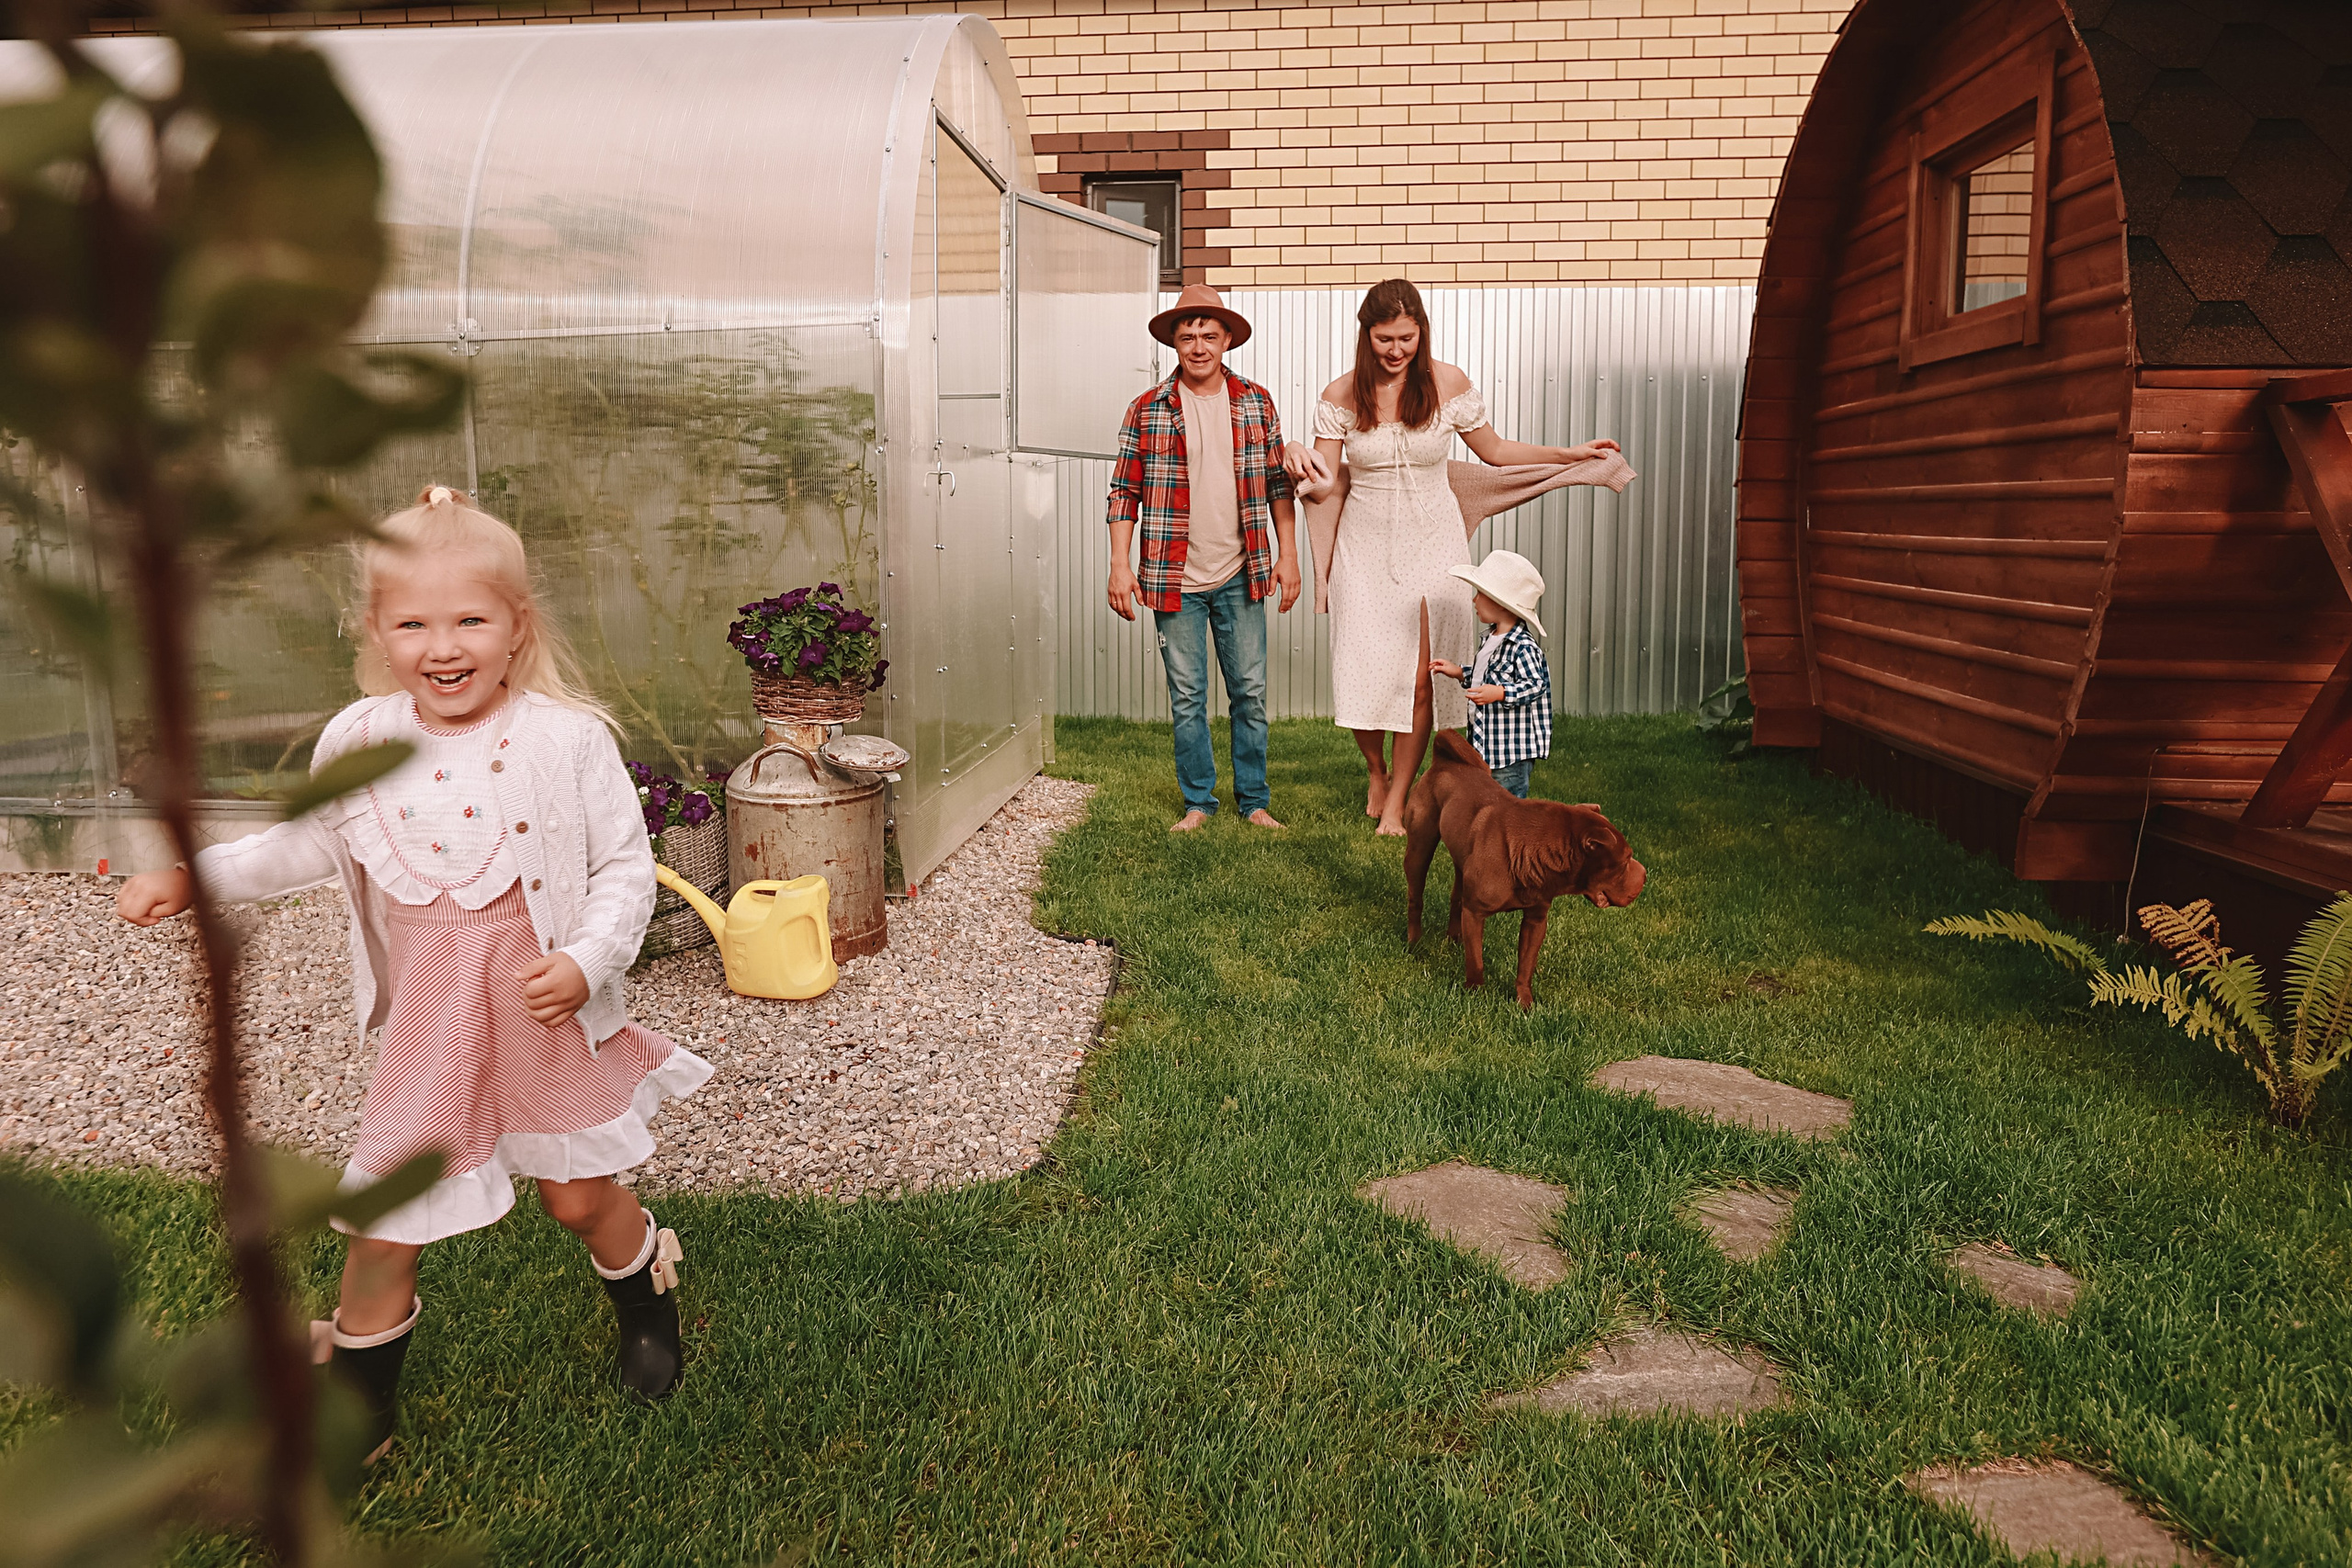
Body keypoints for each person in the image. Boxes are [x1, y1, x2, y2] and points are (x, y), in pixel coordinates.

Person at [114, 485, 711, 1461]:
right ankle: (361, 1419)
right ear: (377, 632)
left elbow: (621, 869)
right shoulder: (361, 738)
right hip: (432, 1029)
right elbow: (308, 840)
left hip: (541, 1017)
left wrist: (585, 958)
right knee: (382, 1222)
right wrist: (196, 876)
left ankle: (648, 1294)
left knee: (576, 1197)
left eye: (471, 619)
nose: (445, 645)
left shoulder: (568, 741)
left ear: (518, 629)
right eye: (415, 623)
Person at [1283, 278, 1619, 835]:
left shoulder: (1448, 383)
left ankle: (1397, 806)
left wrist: (1568, 452)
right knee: (1362, 669)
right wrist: (1294, 453)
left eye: (1407, 339)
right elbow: (1320, 486)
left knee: (1423, 676)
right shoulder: (1341, 395)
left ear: (1422, 333)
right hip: (1363, 546)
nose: (1396, 351)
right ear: (1366, 336)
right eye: (1385, 339)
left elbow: (1495, 451)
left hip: (1434, 540)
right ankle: (1376, 770)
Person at [1107, 283, 1302, 832]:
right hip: (1174, 580)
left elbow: (1277, 488)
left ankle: (1254, 801)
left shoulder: (1256, 402)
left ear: (1226, 341)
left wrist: (1288, 556)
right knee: (1188, 697)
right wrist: (1120, 565)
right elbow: (1123, 490)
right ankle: (1198, 802)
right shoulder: (1147, 409)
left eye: (1209, 336)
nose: (1198, 346)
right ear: (1173, 341)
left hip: (1242, 574)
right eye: (1187, 335)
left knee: (1250, 694)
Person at [1428, 550, 1552, 797]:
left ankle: (1511, 835)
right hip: (1486, 743)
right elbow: (1487, 675)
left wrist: (1501, 693)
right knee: (1484, 797)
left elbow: (1535, 684)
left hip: (1510, 752)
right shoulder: (1491, 639)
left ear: (1500, 603)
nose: (1474, 600)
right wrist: (1460, 672)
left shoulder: (1523, 646)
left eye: (1480, 594)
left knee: (1507, 802)